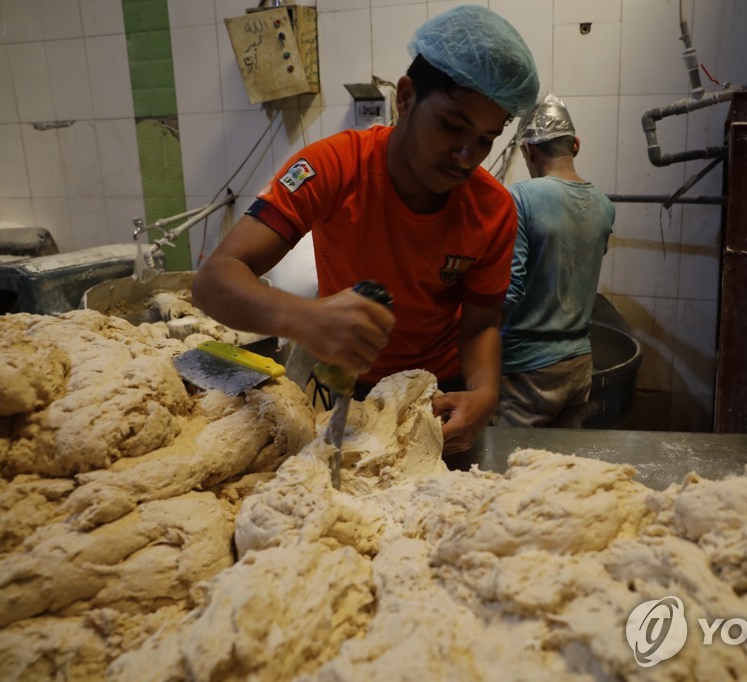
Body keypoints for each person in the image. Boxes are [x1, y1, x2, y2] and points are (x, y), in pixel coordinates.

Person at [191, 5, 539, 454]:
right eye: (453, 126)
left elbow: (480, 326)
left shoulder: (492, 210)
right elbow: (215, 278)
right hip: (347, 387)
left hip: (436, 393)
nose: (468, 156)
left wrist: (485, 394)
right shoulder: (332, 168)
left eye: (487, 140)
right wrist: (304, 318)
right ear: (407, 97)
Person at [495, 93, 616, 428]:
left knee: (515, 469)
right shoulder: (605, 206)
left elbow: (508, 290)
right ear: (575, 145)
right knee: (561, 469)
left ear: (529, 150)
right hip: (580, 364)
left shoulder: (521, 197)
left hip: (527, 369)